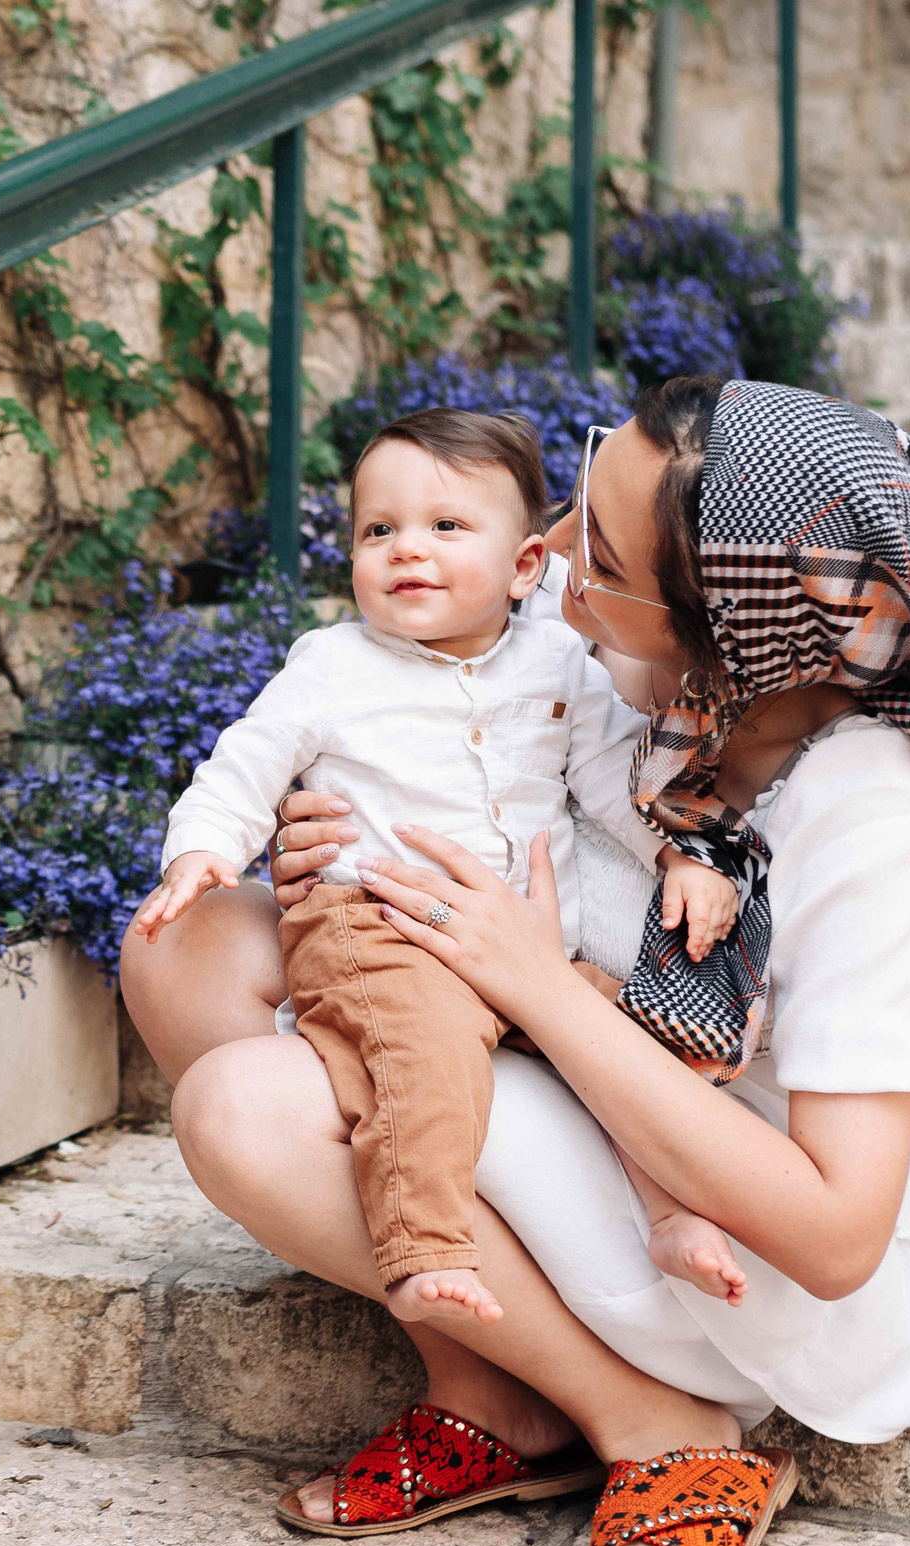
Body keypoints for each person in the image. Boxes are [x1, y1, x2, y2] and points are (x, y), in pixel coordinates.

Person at [120, 376, 910, 1546]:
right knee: (182, 950)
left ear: (718, 620)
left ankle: (656, 1422)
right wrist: (334, 815)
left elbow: (835, 1235)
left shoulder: (866, 808)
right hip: (559, 1080)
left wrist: (536, 986)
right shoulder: (641, 690)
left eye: (595, 555)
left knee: (240, 1109)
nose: (547, 569)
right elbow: (457, 752)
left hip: (740, 1252)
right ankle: (489, 1388)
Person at [130, 408, 736, 1331]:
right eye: (380, 530)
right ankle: (424, 1249)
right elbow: (247, 759)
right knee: (423, 1057)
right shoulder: (333, 665)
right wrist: (205, 847)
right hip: (385, 932)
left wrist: (677, 852)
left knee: (621, 1044)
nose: (408, 549)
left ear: (527, 565)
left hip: (532, 946)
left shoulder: (560, 661)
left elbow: (617, 775)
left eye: (446, 528)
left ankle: (669, 1210)